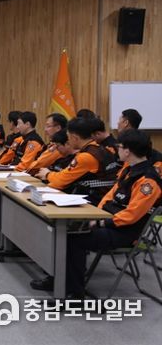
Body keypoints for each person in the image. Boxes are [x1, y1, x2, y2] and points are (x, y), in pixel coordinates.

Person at [32, 129, 162, 297]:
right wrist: (96, 215)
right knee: (63, 230)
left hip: (124, 232)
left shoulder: (148, 181)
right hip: (109, 222)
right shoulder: (128, 170)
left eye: (120, 146)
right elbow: (109, 196)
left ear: (127, 151)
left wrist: (101, 222)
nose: (117, 149)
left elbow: (132, 215)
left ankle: (74, 293)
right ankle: (59, 279)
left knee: (73, 239)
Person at [36, 117, 117, 204]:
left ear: (75, 138)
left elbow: (61, 180)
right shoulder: (100, 149)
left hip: (93, 201)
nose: (68, 140)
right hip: (102, 198)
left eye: (68, 137)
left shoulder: (86, 156)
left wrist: (47, 174)